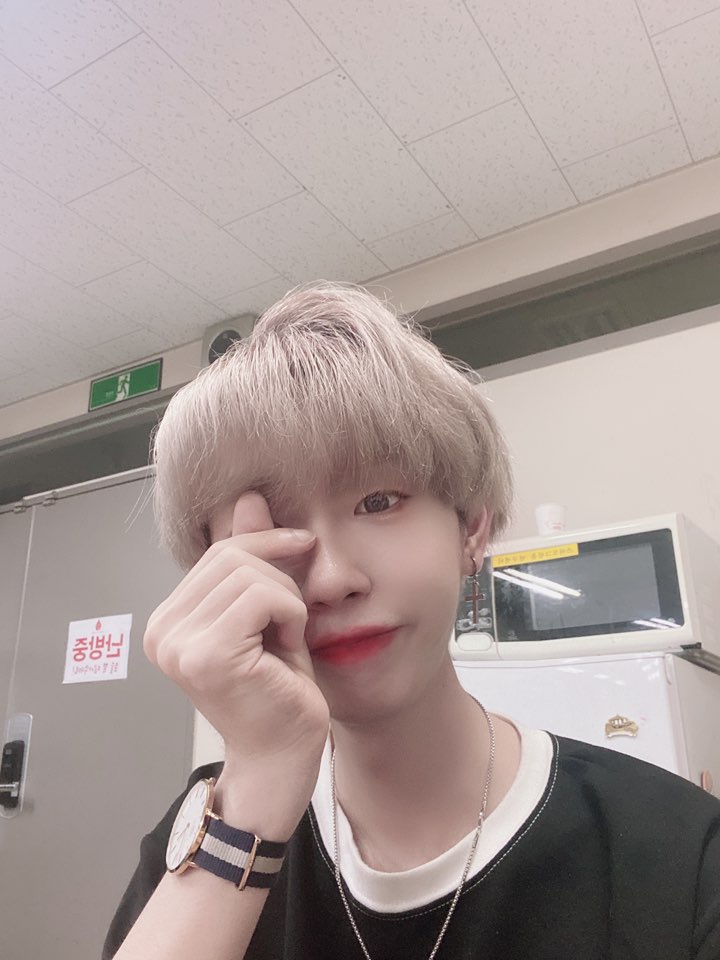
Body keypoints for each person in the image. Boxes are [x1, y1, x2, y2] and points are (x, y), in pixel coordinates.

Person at [104, 282, 720, 960]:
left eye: (378, 501)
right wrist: (259, 782)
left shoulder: (680, 857)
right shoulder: (203, 837)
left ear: (471, 527)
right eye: (273, 527)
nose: (331, 580)